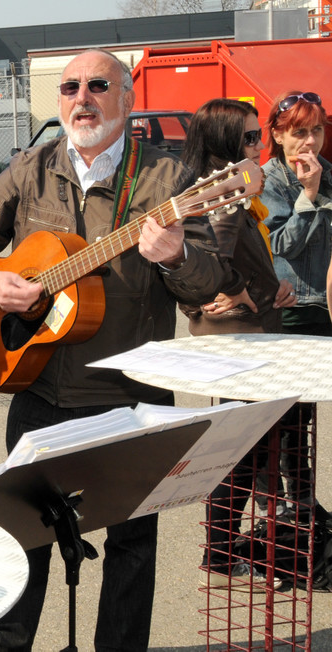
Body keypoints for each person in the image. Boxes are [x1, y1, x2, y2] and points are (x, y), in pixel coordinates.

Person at [0, 48, 224, 651]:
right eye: (69, 88)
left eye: (97, 85)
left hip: (130, 397)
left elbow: (209, 283)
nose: (81, 98)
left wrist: (177, 256)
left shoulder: (170, 181)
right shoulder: (31, 167)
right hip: (36, 386)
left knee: (133, 546)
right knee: (21, 536)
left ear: (127, 96)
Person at [177, 98, 295, 592]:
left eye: (258, 137)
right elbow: (212, 259)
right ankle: (223, 552)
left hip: (249, 333)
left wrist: (272, 287)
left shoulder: (224, 189)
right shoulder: (224, 193)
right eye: (248, 138)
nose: (258, 147)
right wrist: (231, 293)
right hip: (240, 342)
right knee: (242, 450)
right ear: (223, 142)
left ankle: (245, 545)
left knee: (251, 446)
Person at [261, 90, 332, 526]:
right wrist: (308, 195)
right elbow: (278, 244)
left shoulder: (327, 174)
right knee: (280, 422)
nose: (310, 141)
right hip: (287, 311)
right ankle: (280, 510)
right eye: (299, 132)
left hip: (321, 311)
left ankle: (301, 506)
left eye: (317, 130)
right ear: (278, 135)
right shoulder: (269, 180)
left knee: (303, 421)